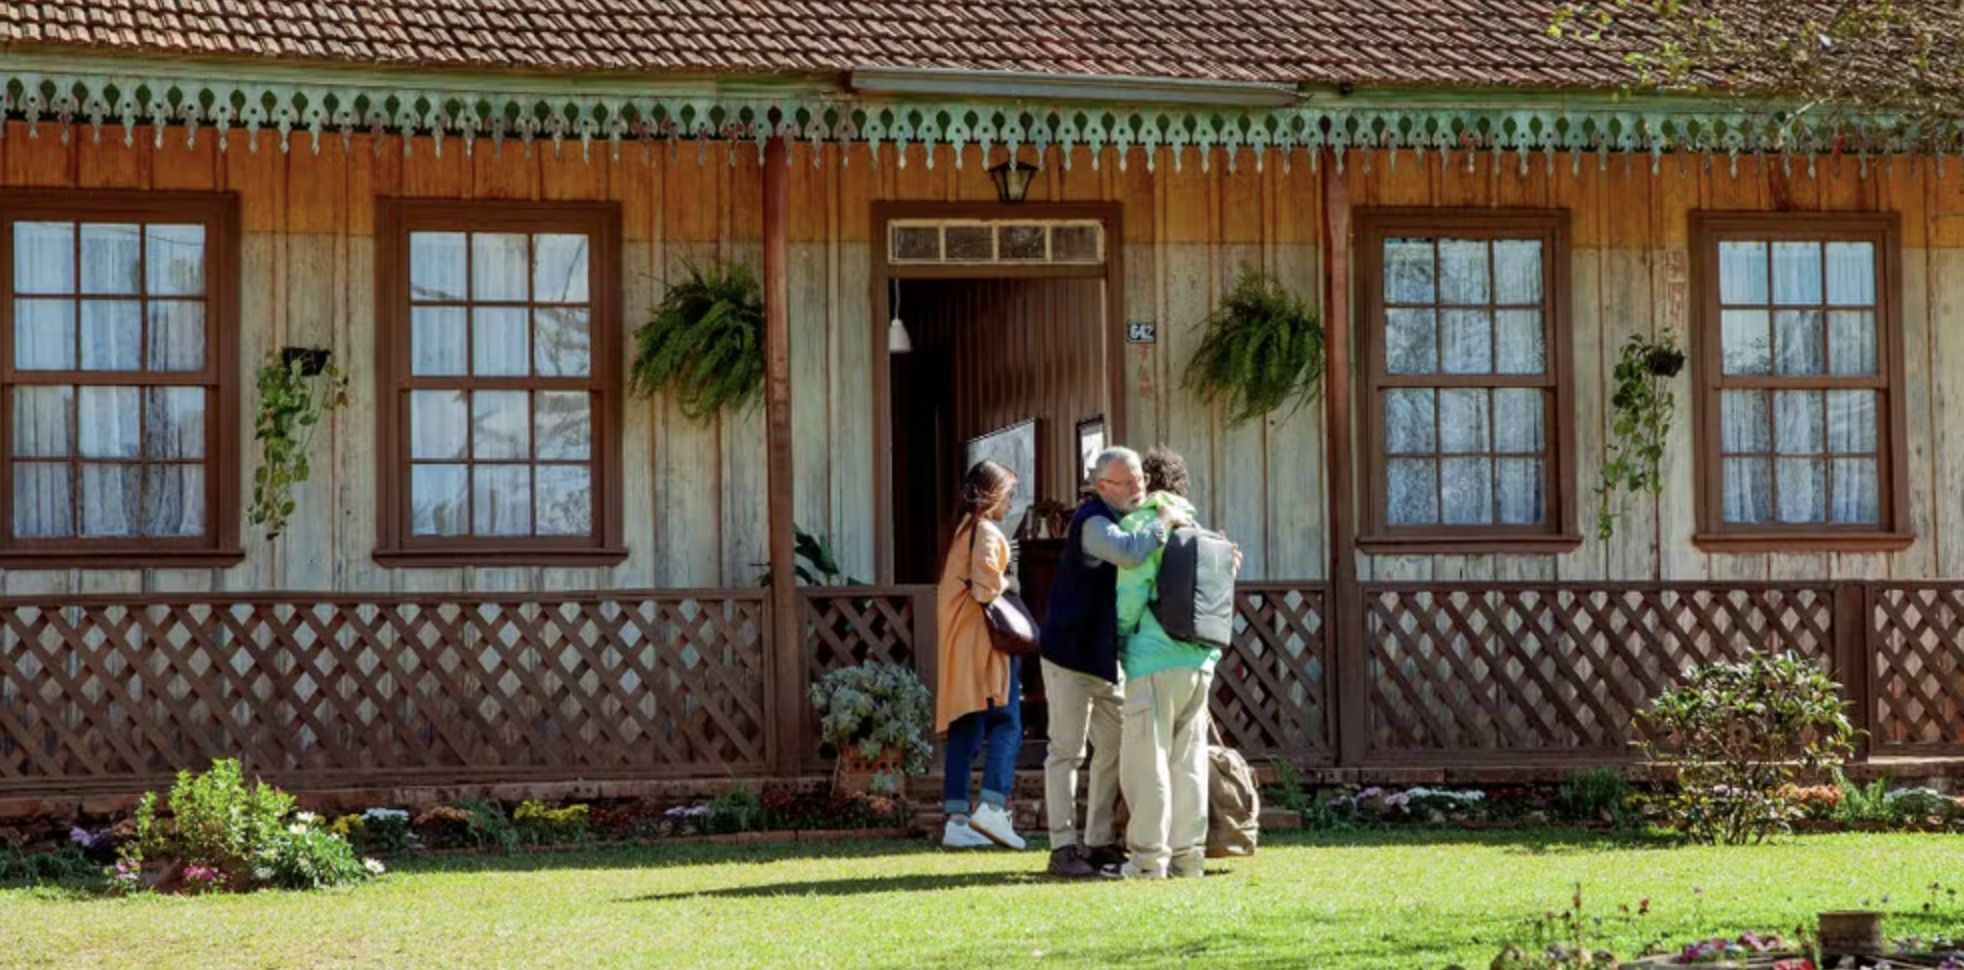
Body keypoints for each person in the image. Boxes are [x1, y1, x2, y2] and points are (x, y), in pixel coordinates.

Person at [1038, 446, 1190, 877]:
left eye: (1141, 477)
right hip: (1070, 655)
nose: (1139, 486)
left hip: (1107, 659)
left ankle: (1099, 842)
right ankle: (1062, 848)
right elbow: (1128, 553)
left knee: (1115, 750)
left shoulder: (1133, 516)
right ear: (1102, 487)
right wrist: (1163, 521)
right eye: (1128, 482)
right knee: (1066, 752)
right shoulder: (1092, 521)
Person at [1108, 447, 1235, 879]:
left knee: (1148, 761)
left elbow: (1130, 596)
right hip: (1199, 659)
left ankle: (1147, 860)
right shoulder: (1202, 530)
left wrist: (1119, 638)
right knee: (1189, 762)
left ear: (1145, 481)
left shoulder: (1143, 523)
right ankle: (1188, 858)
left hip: (1151, 658)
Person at [934, 460, 1029, 850]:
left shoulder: (961, 531)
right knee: (1008, 721)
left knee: (965, 728)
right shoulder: (987, 530)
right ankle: (992, 807)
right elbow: (987, 589)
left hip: (959, 647)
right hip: (985, 646)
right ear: (993, 494)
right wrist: (1012, 577)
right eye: (1008, 494)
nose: (1011, 502)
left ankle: (957, 820)